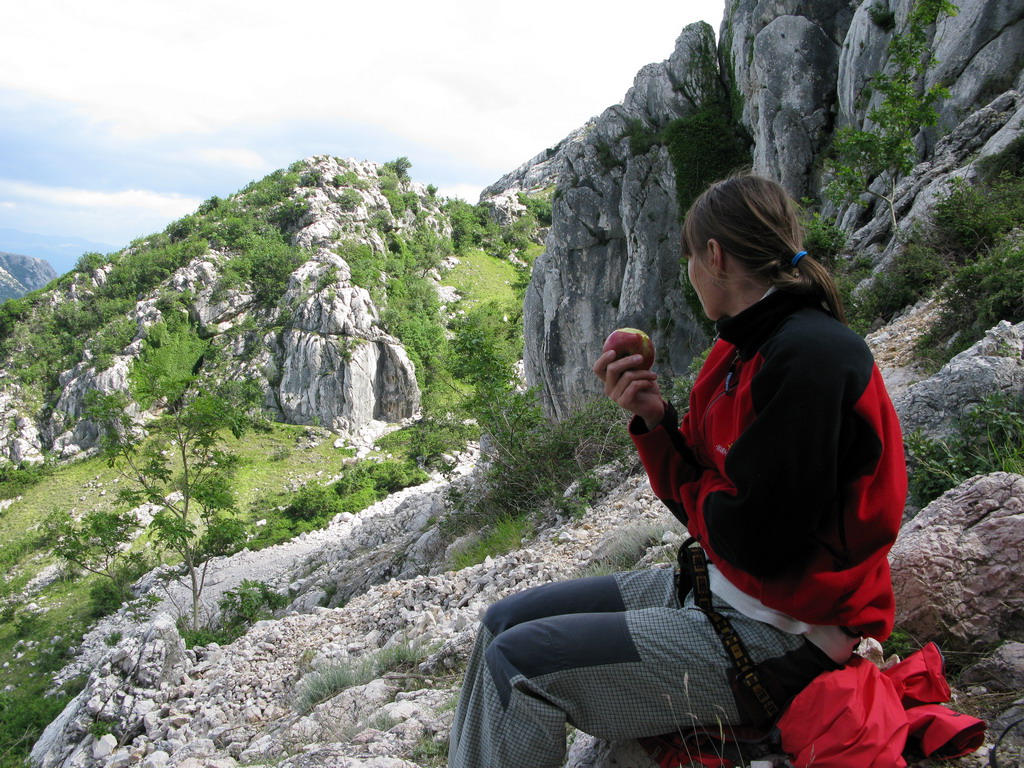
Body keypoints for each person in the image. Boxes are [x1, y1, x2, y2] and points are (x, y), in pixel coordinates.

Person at [446, 174, 907, 768]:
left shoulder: (813, 357)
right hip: (723, 590)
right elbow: (708, 500)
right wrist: (653, 418)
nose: (689, 272)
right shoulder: (738, 350)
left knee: (519, 666)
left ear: (713, 256)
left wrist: (707, 491)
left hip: (789, 638)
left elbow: (753, 540)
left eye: (689, 258)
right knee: (500, 622)